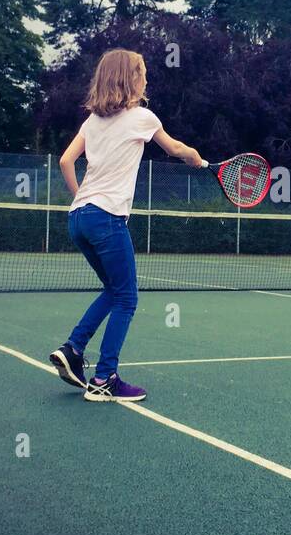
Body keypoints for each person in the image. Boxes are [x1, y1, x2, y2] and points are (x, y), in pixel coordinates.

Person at [49, 48, 203, 402]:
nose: (147, 78)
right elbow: (176, 148)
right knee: (128, 297)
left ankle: (73, 349)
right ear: (130, 78)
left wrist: (81, 197)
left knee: (114, 290)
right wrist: (195, 157)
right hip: (106, 219)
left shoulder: (91, 121)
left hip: (79, 218)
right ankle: (105, 378)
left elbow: (66, 160)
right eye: (143, 72)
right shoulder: (142, 118)